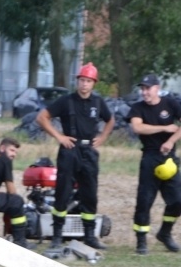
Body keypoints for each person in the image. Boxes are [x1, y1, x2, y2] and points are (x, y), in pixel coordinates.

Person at [36, 63, 115, 250]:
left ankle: (90, 235)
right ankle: (57, 235)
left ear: (93, 83)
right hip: (69, 150)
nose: (84, 84)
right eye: (81, 80)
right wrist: (59, 136)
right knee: (62, 193)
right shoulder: (66, 101)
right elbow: (42, 117)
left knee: (90, 194)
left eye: (88, 81)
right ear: (77, 81)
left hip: (89, 151)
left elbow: (110, 120)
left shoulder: (98, 102)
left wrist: (102, 137)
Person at [126, 73, 181, 255]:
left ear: (157, 88)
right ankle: (141, 241)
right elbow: (137, 127)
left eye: (148, 88)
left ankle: (165, 233)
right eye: (142, 88)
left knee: (178, 201)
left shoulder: (170, 103)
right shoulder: (137, 108)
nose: (145, 92)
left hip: (169, 158)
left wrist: (171, 140)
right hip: (149, 157)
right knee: (145, 201)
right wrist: (164, 128)